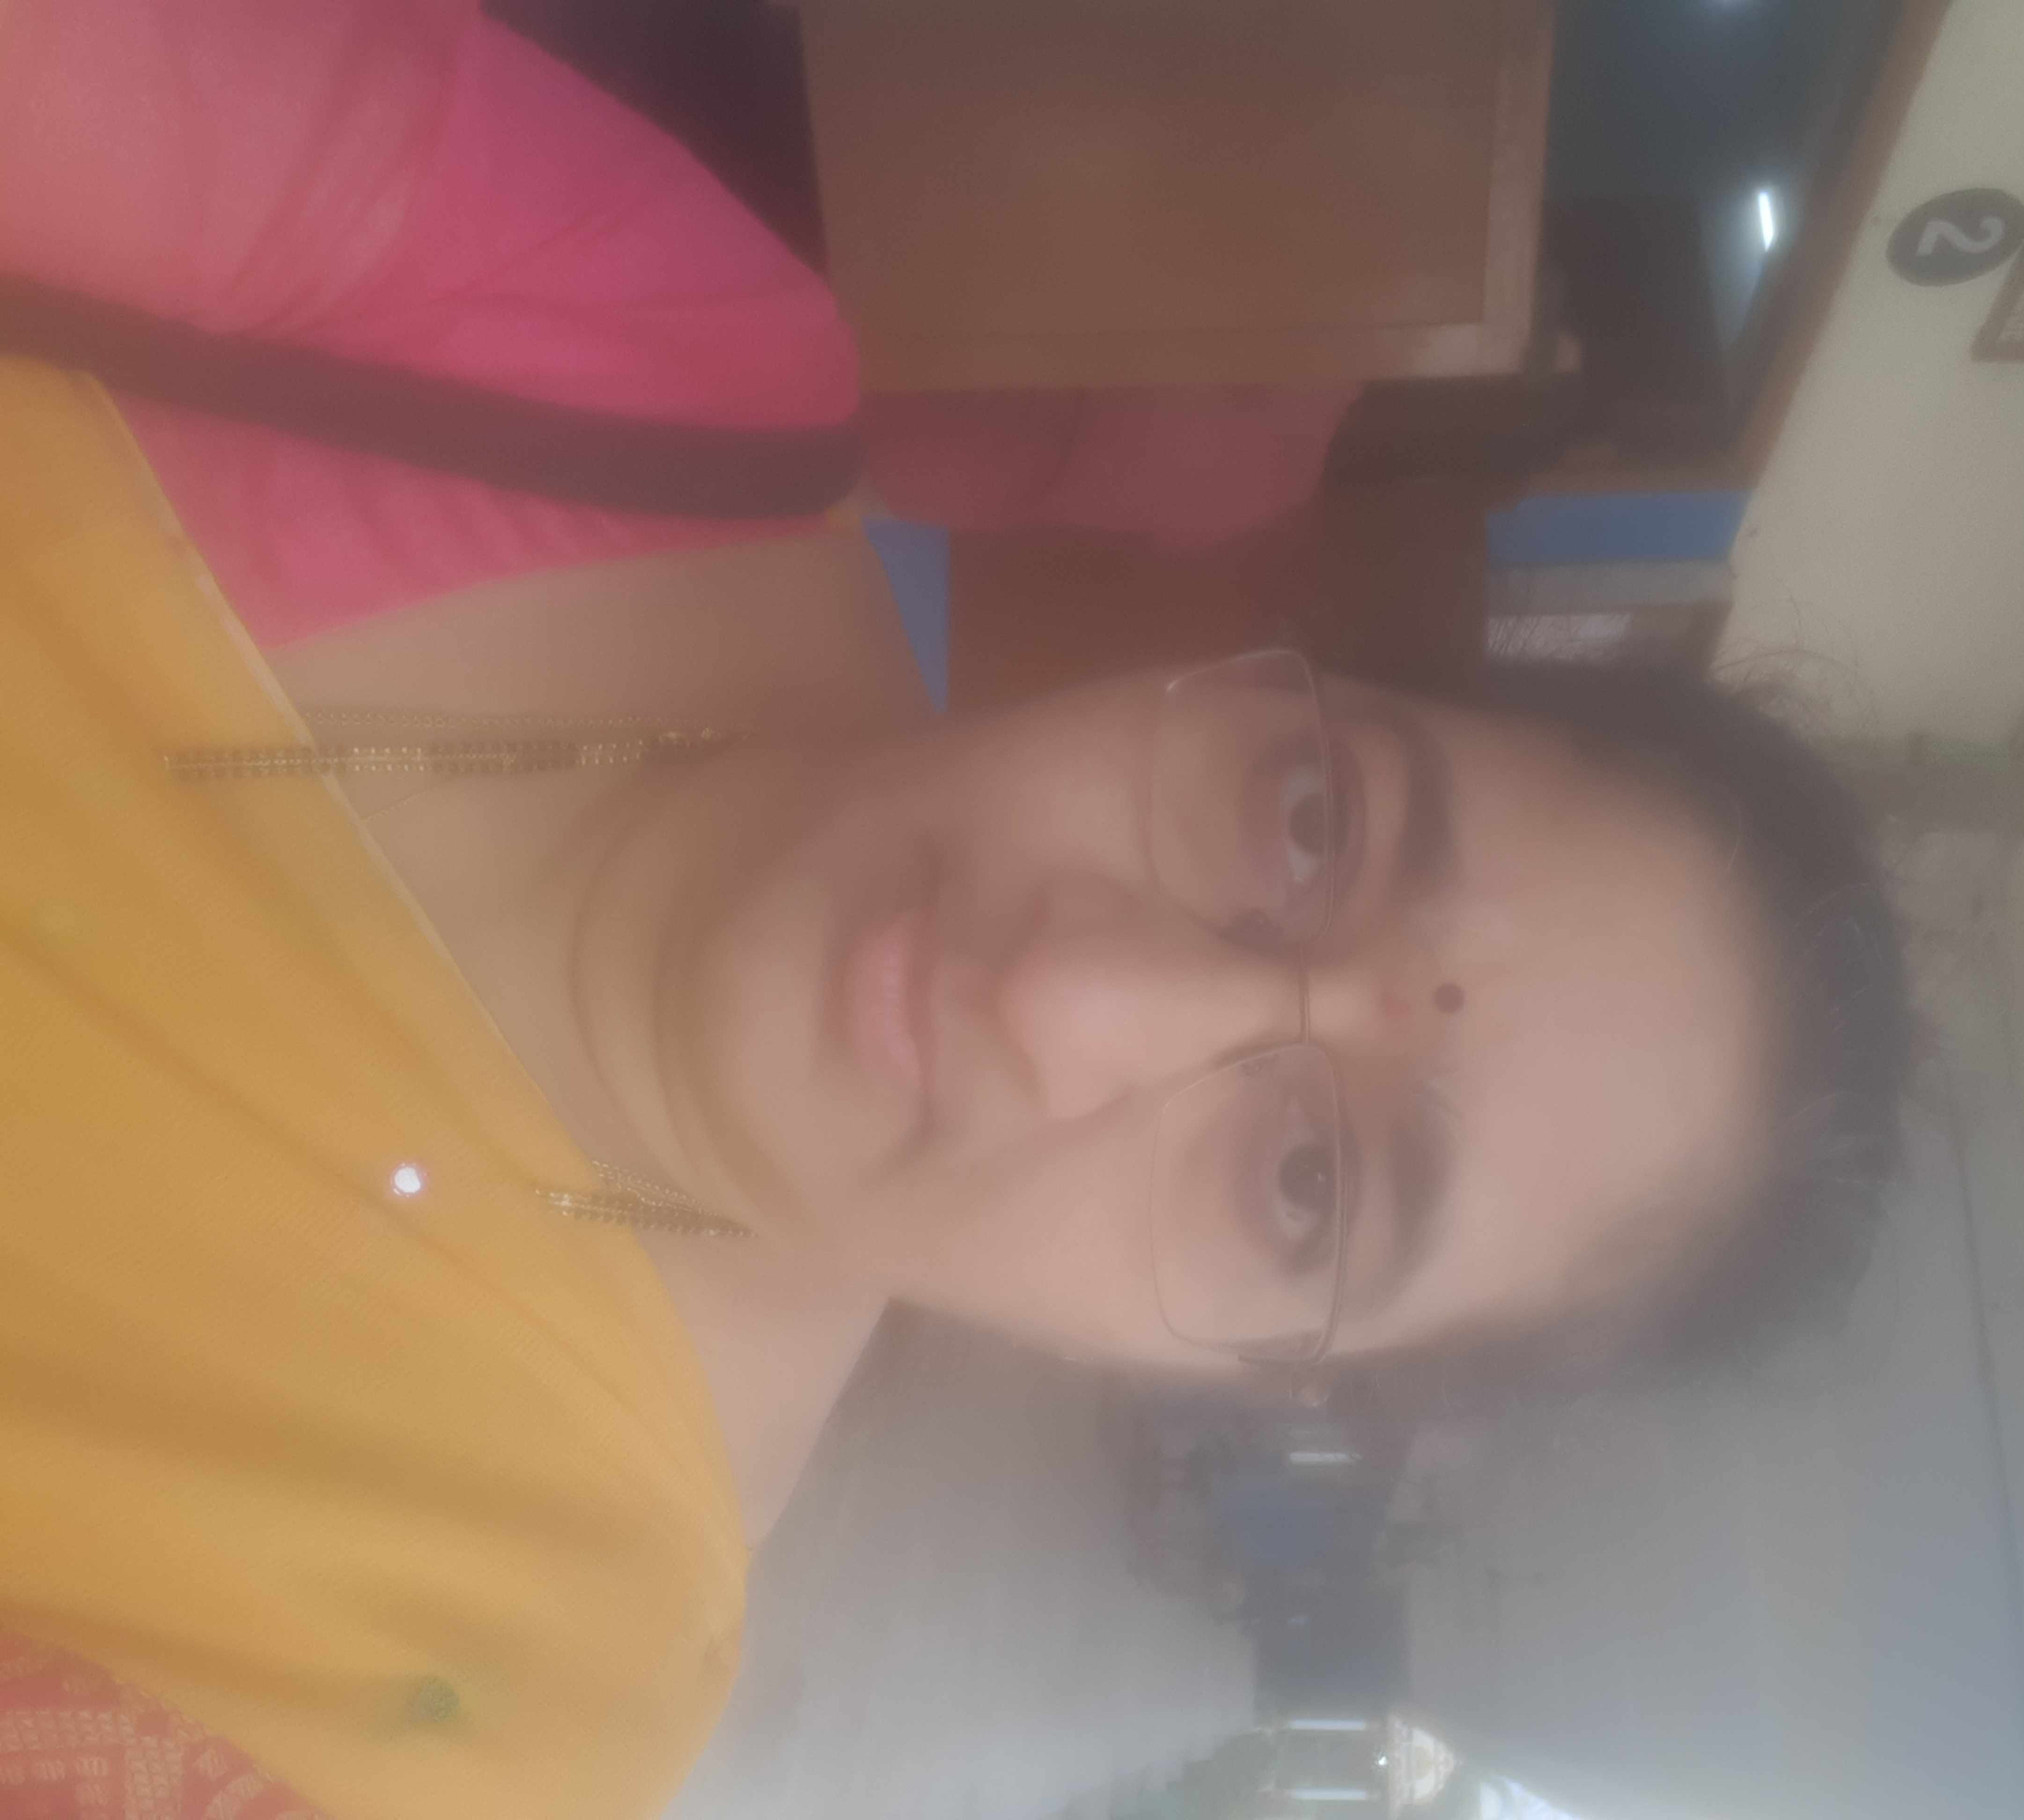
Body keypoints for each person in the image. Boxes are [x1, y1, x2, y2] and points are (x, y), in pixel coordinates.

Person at [0, 4, 1909, 1819]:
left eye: (1304, 1186)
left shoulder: (491, 1672)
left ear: (1260, 1378)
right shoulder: (634, 351)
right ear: (1265, 669)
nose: (1069, 998)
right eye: (1312, 820)